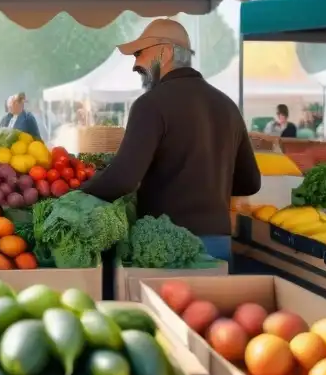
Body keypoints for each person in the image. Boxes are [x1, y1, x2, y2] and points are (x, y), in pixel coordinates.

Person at [82, 19, 261, 263]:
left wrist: (77, 193)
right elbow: (249, 182)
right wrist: (206, 185)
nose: (135, 65)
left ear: (165, 53)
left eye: (139, 54)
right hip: (218, 245)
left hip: (168, 249)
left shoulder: (151, 105)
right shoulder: (227, 106)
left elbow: (122, 180)